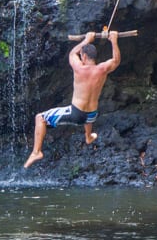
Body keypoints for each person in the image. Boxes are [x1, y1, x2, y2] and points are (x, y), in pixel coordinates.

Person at [24, 31, 121, 168]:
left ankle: (36, 152)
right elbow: (116, 60)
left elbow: (71, 54)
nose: (80, 58)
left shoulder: (79, 68)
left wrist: (86, 40)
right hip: (92, 115)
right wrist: (114, 40)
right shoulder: (102, 69)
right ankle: (88, 137)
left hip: (76, 113)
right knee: (88, 116)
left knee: (40, 118)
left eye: (82, 56)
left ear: (85, 56)